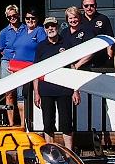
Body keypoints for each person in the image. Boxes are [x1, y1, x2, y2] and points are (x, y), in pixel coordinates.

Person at [33, 17, 81, 150]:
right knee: (48, 123)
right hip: (46, 90)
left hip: (64, 89)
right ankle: (51, 151)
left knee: (66, 123)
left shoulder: (67, 43)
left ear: (57, 27)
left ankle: (70, 153)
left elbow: (73, 67)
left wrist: (75, 90)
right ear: (44, 29)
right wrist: (36, 92)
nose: (50, 29)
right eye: (47, 26)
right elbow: (35, 71)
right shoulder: (41, 46)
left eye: (52, 26)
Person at [0, 4, 28, 126]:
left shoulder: (26, 29)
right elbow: (1, 48)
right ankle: (10, 123)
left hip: (22, 62)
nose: (12, 18)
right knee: (8, 93)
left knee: (21, 94)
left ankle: (22, 124)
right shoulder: (3, 32)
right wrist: (10, 58)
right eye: (9, 17)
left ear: (19, 15)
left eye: (14, 15)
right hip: (7, 62)